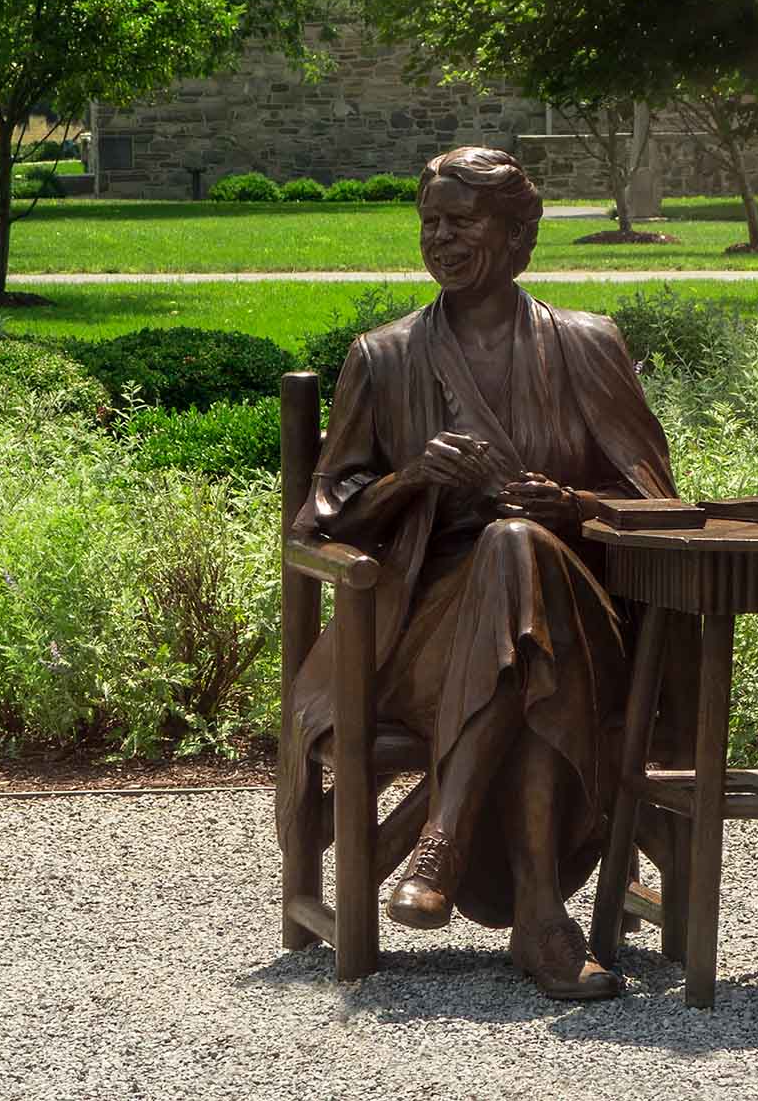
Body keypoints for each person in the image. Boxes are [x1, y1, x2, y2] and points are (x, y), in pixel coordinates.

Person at [281, 146, 674, 1001]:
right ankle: (540, 916)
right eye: (430, 221)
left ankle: (442, 842)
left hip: (580, 617)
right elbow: (321, 516)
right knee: (511, 575)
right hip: (425, 635)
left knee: (520, 550)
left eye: (462, 221)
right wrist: (411, 477)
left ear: (520, 235)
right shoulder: (383, 359)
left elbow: (656, 501)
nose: (440, 238)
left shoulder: (586, 346)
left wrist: (568, 503)